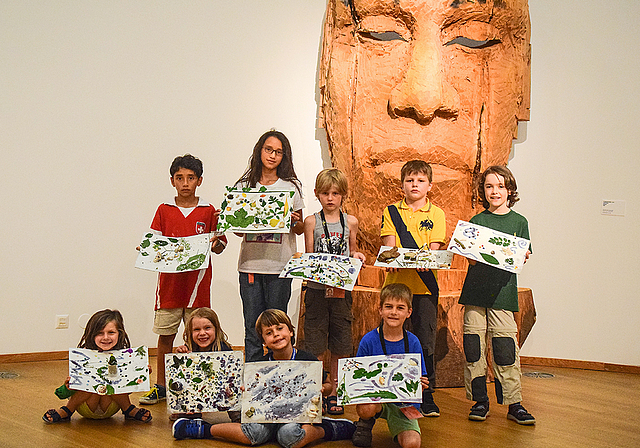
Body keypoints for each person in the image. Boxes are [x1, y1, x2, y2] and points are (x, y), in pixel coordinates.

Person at [319, 0, 531, 259]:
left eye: (474, 37)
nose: (424, 101)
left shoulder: (493, 220)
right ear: (325, 73)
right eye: (380, 32)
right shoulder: (381, 215)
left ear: (523, 81)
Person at [172, 309, 356, 447]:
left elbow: (327, 386)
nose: (276, 334)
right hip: (267, 415)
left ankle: (329, 429)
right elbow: (249, 393)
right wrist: (245, 391)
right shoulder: (258, 365)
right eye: (269, 332)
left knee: (289, 437)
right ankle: (202, 429)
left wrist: (323, 389)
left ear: (290, 332)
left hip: (297, 417)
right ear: (263, 341)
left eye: (280, 329)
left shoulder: (306, 359)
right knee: (254, 434)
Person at [139, 154, 227, 405]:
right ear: (172, 181)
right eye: (180, 178)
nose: (185, 183)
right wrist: (145, 251)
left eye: (190, 178)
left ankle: (199, 387)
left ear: (199, 180)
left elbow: (220, 246)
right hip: (168, 287)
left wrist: (219, 236)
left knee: (200, 337)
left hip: (197, 287)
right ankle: (161, 386)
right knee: (165, 336)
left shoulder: (209, 210)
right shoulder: (164, 210)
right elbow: (154, 244)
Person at [458, 165, 535, 425]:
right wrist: (471, 254)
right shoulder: (477, 221)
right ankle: (480, 401)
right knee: (474, 350)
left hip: (503, 295)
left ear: (510, 190)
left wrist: (520, 256)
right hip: (475, 295)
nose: (495, 191)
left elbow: (523, 256)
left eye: (500, 186)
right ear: (483, 190)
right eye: (489, 186)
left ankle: (514, 404)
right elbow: (471, 260)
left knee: (505, 350)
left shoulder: (519, 222)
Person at [380, 160, 445, 416]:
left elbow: (435, 247)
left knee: (424, 341)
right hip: (396, 287)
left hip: (425, 287)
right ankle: (390, 390)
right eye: (409, 180)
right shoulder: (391, 211)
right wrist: (391, 258)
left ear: (429, 185)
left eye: (419, 180)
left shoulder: (436, 214)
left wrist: (423, 261)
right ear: (402, 185)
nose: (414, 184)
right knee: (393, 338)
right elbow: (389, 244)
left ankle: (425, 394)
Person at [234, 130, 305, 362]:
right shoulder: (245, 185)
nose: (273, 156)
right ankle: (254, 375)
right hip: (251, 266)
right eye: (269, 150)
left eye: (278, 152)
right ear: (259, 150)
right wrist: (232, 218)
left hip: (281, 266)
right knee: (252, 325)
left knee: (278, 327)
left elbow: (300, 228)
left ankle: (281, 372)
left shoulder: (291, 186)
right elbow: (237, 230)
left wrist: (295, 221)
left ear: (284, 156)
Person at [302, 168, 366, 415]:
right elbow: (309, 254)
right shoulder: (312, 221)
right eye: (326, 193)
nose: (330, 198)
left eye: (335, 193)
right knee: (316, 342)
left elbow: (353, 251)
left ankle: (336, 392)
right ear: (317, 194)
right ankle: (317, 391)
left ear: (343, 196)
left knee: (340, 342)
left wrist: (357, 256)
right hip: (318, 290)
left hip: (341, 290)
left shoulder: (350, 221)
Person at [351, 284, 430, 448]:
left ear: (408, 312)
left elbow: (420, 376)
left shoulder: (413, 341)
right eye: (389, 307)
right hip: (376, 400)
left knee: (412, 444)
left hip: (404, 405)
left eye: (400, 308)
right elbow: (358, 377)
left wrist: (420, 385)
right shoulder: (368, 340)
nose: (394, 312)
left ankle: (399, 425)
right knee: (366, 408)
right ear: (380, 310)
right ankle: (365, 424)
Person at [42, 309, 152, 423]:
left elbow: (127, 391)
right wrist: (68, 387)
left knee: (113, 380)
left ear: (119, 333)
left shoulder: (125, 357)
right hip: (86, 405)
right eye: (100, 333)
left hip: (110, 406)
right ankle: (67, 410)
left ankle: (129, 409)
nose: (105, 337)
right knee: (91, 380)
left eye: (111, 332)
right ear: (92, 334)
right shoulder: (83, 356)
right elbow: (61, 394)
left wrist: (139, 376)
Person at [170, 307, 240, 423]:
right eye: (197, 329)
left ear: (216, 329)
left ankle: (237, 415)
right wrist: (180, 356)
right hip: (197, 391)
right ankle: (188, 412)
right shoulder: (189, 350)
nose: (202, 333)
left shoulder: (224, 350)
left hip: (222, 389)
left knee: (233, 391)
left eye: (207, 328)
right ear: (190, 333)